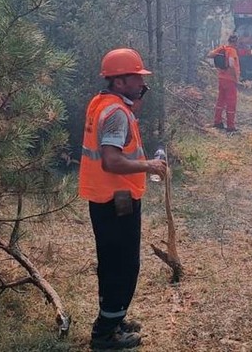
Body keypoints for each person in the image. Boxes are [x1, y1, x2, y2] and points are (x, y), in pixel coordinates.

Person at [79, 48, 169, 350]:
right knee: (123, 265)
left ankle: (114, 319)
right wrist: (150, 165)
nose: (141, 82)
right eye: (136, 78)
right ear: (119, 82)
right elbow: (111, 161)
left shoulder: (102, 103)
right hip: (117, 200)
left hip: (105, 198)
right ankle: (105, 334)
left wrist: (133, 105)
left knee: (112, 262)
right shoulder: (116, 112)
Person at [206, 34, 242, 133]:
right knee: (231, 103)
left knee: (220, 101)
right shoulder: (232, 51)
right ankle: (231, 126)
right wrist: (236, 78)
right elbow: (231, 64)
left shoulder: (223, 48)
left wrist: (219, 57)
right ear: (235, 42)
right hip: (230, 80)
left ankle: (217, 121)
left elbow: (209, 54)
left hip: (221, 78)